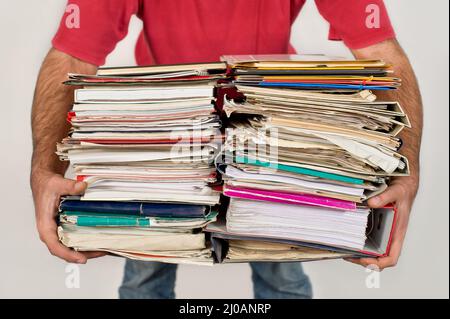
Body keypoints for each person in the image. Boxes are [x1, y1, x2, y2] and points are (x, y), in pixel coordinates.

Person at [30, 0, 423, 299]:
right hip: (163, 126)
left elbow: (380, 51)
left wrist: (407, 170)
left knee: (281, 257)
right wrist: (43, 169)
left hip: (267, 119)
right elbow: (71, 54)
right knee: (148, 259)